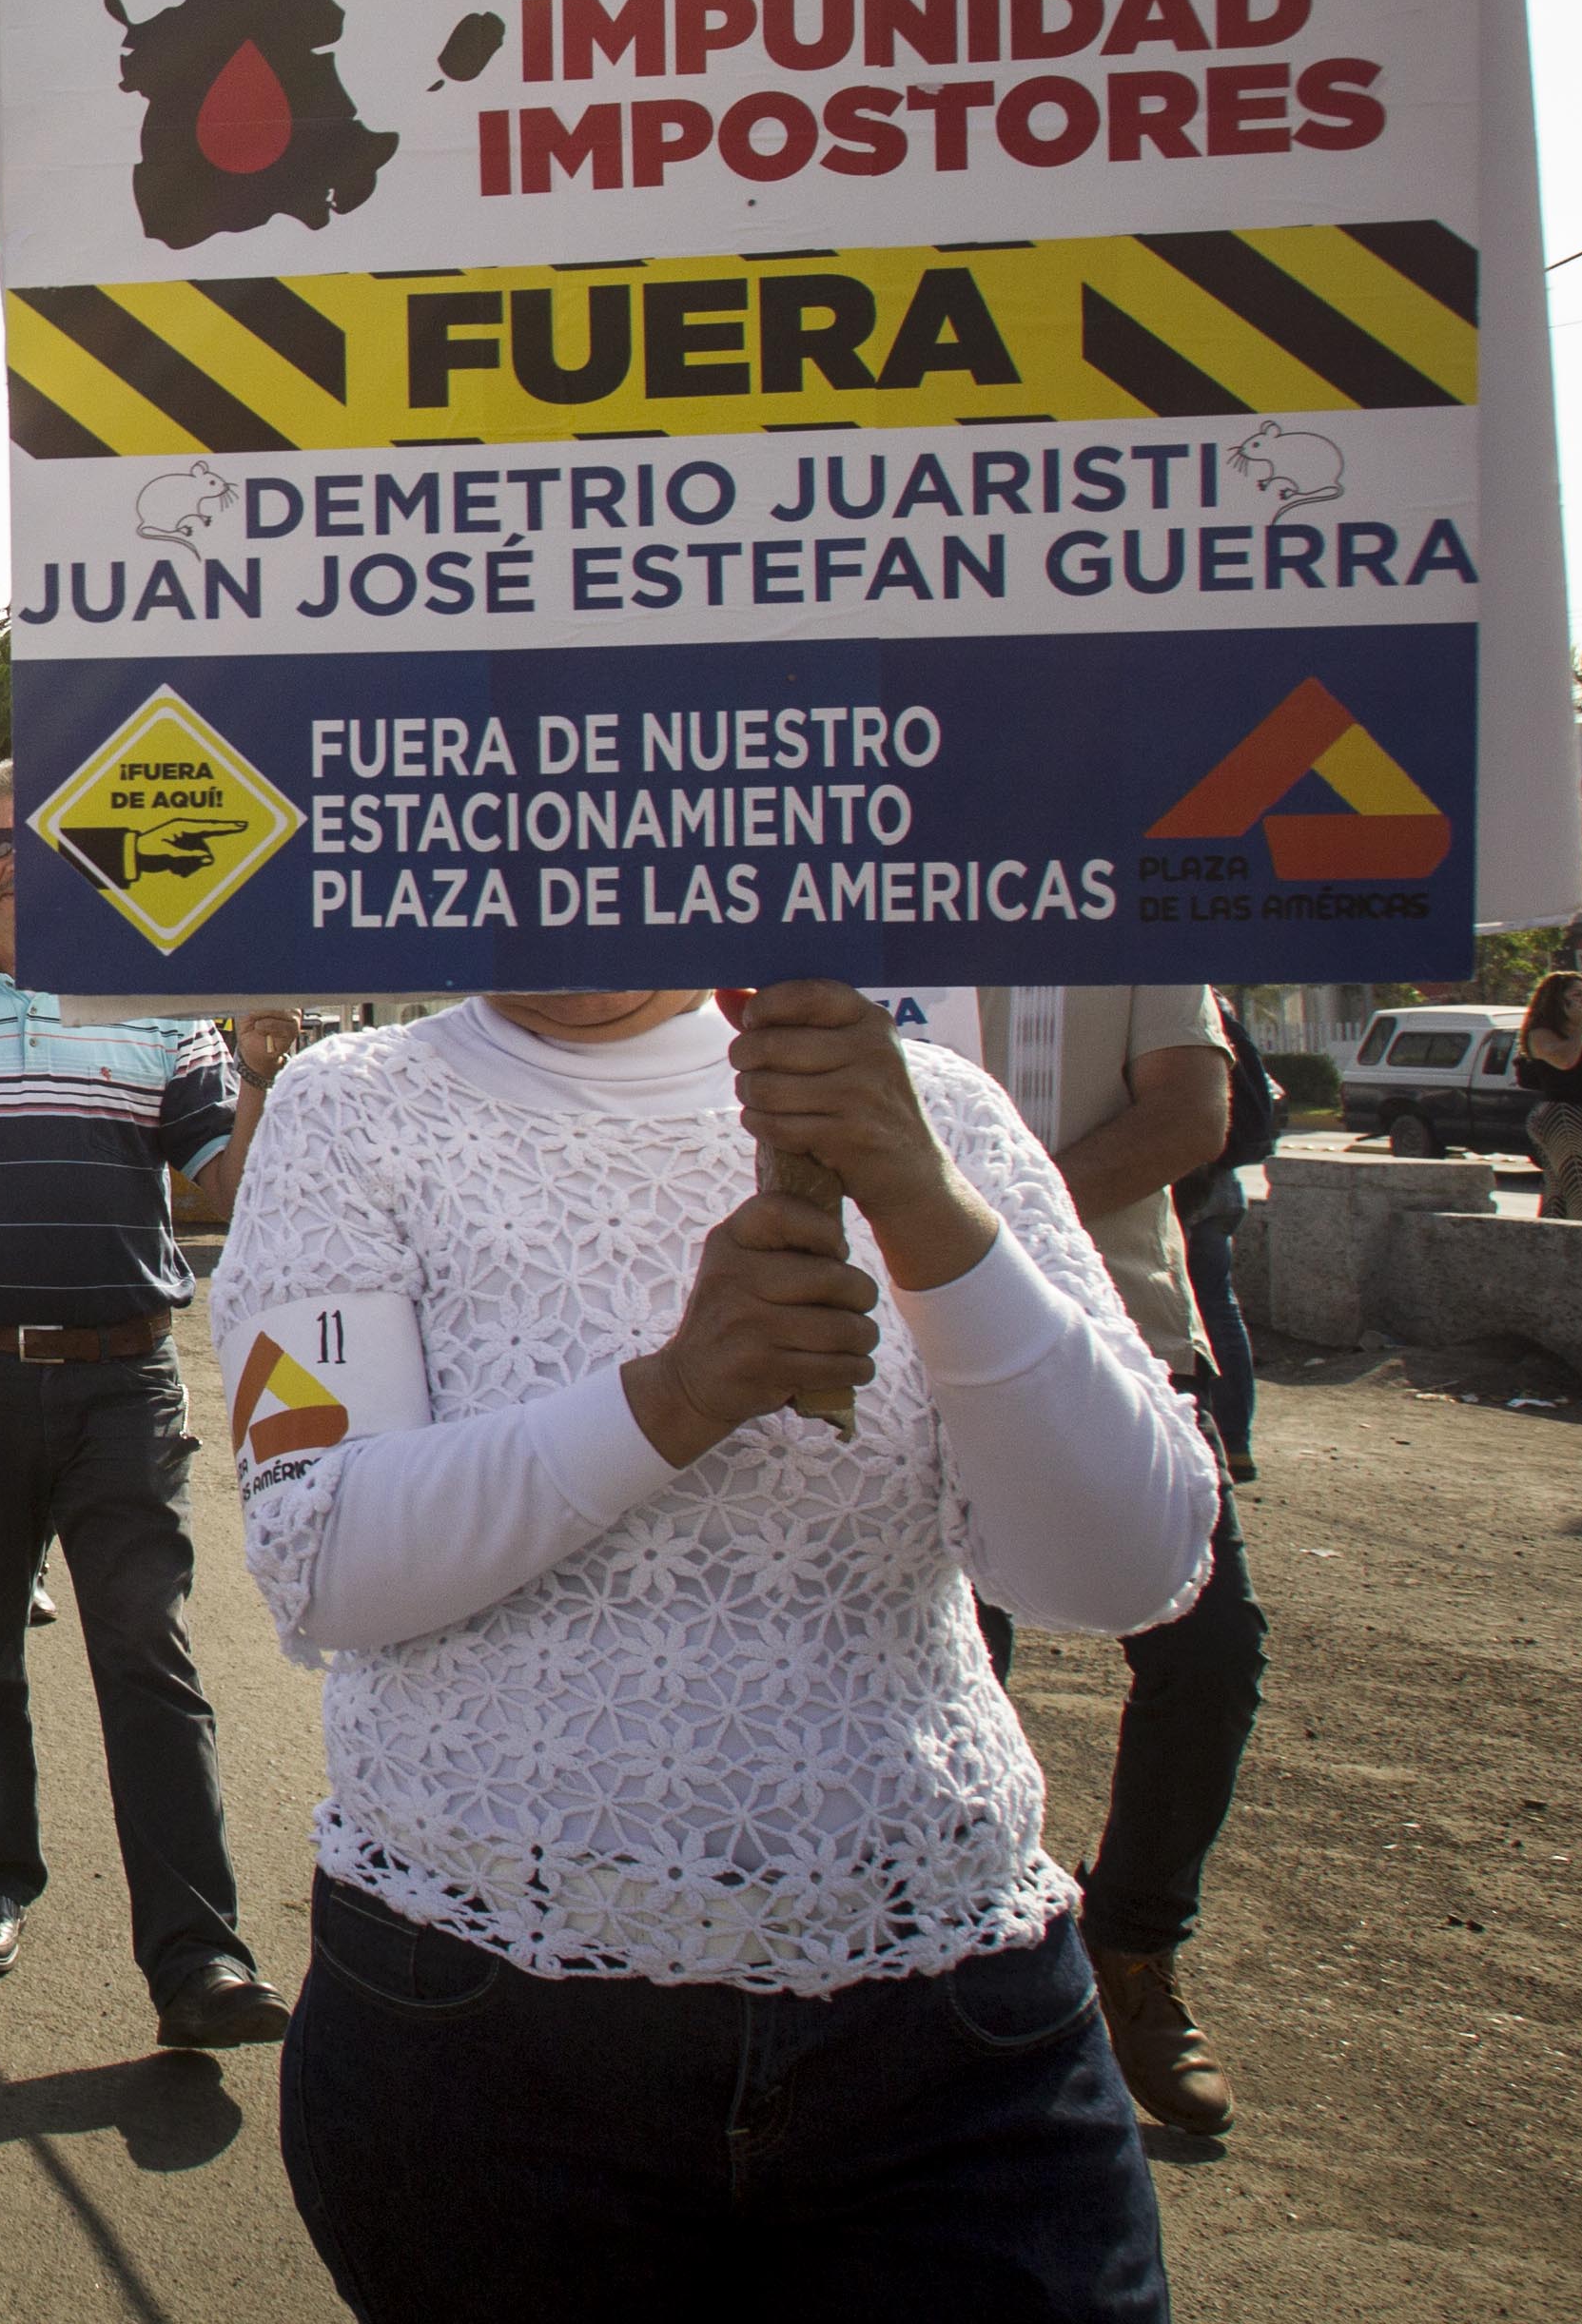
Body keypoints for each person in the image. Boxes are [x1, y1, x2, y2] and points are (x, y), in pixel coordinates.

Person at [226, 981, 1220, 2316]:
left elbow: (1125, 1568)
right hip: (481, 2033)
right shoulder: (351, 1107)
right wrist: (676, 1395)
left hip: (945, 2039)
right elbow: (327, 1560)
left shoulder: (932, 1108)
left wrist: (920, 1199)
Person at [0, 757, 288, 2044]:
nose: (23, 859)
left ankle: (199, 1956)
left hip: (124, 1383)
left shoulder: (160, 1007)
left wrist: (255, 1073)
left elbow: (226, 1190)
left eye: (49, 838)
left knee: (148, 1654)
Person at [969, 983, 1256, 2138]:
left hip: (1127, 1329)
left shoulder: (1131, 912)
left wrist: (975, 1223)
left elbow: (1190, 1114)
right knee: (950, 1661)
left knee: (1211, 1654)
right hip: (912, 1339)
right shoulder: (882, 898)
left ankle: (1133, 1945)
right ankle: (972, 1966)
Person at [1178, 1000, 1284, 1484]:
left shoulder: (1172, 1010)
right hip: (1222, 1187)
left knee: (1179, 1316)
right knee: (1219, 1310)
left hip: (1184, 1187)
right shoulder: (1219, 1010)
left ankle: (1200, 1444)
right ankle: (1236, 1443)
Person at [1518, 969, 1582, 1221]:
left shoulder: (1577, 1036)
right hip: (1565, 1118)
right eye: (1576, 995)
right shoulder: (1540, 1033)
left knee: (1560, 1194)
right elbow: (1565, 1061)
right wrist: (1579, 1028)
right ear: (1556, 1000)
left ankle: (1555, 1241)